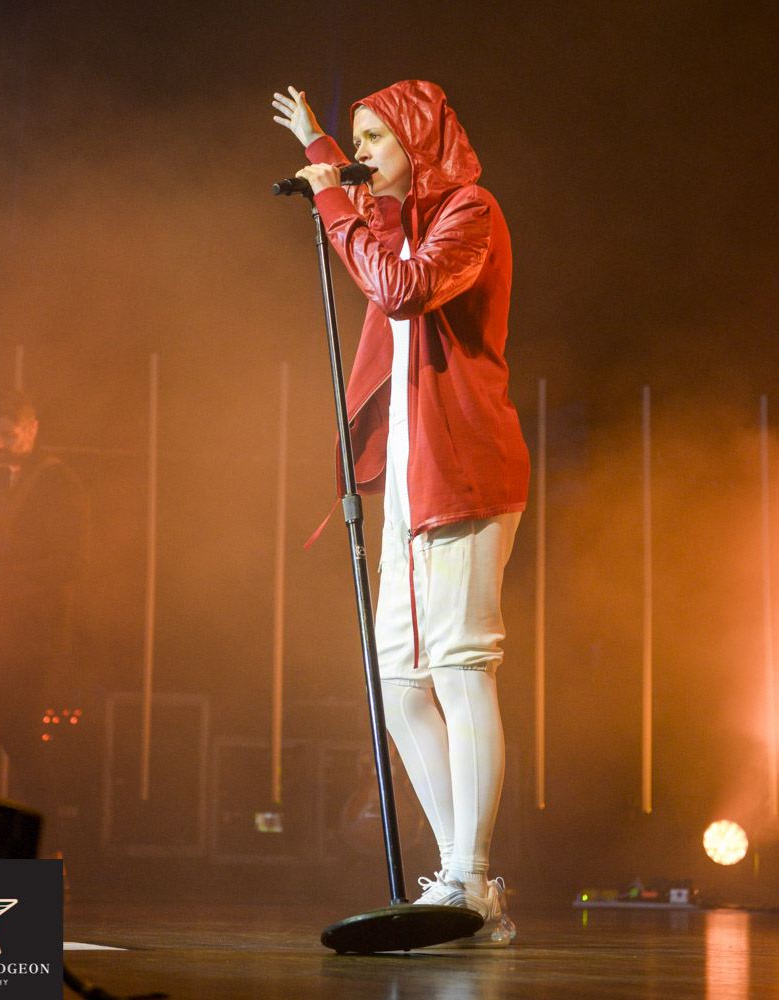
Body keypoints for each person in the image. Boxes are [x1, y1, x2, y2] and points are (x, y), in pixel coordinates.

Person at [273, 81, 529, 942]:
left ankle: (471, 879)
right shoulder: (399, 223)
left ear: (418, 140)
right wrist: (324, 159)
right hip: (412, 485)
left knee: (460, 668)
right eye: (356, 141)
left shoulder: (471, 213)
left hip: (466, 470)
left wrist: (332, 197)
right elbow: (382, 258)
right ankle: (460, 879)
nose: (362, 155)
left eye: (375, 138)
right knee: (400, 683)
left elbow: (400, 288)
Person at [0, 388, 89, 848]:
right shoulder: (6, 488)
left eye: (8, 435)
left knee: (6, 741)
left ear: (32, 429)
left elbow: (71, 563)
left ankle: (42, 849)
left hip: (29, 638)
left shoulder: (56, 483)